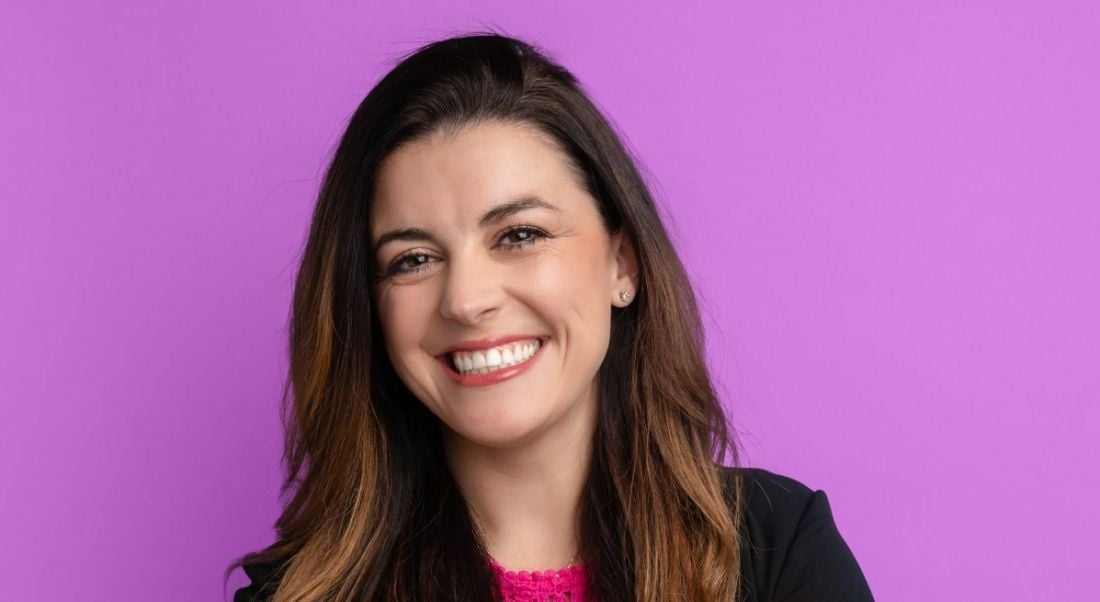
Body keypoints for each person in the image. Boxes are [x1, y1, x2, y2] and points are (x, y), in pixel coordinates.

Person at [227, 32, 873, 602]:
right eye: (414, 258)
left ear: (622, 264)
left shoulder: (779, 555)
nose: (466, 299)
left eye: (519, 235)